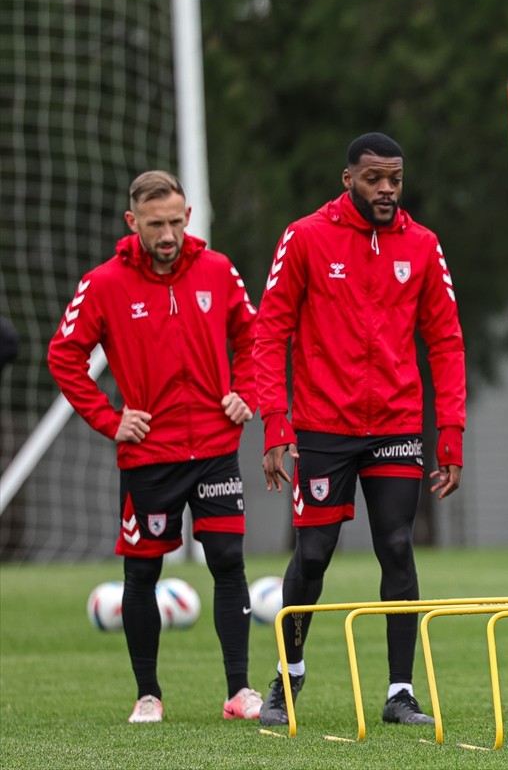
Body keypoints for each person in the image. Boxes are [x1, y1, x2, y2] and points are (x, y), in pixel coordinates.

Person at [253, 132, 466, 727]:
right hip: (322, 426)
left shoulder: (423, 245)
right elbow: (269, 332)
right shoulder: (305, 237)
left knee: (397, 547)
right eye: (374, 179)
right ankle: (289, 675)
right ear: (349, 179)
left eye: (395, 179)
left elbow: (446, 341)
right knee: (313, 555)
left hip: (396, 423)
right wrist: (275, 423)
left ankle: (400, 693)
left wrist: (450, 431)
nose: (387, 189)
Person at [47, 170, 262, 723]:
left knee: (228, 561)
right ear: (132, 222)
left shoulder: (218, 270)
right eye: (154, 224)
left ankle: (239, 692)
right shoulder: (103, 284)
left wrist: (247, 391)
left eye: (174, 222)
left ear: (187, 216)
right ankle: (148, 695)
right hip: (150, 456)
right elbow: (63, 355)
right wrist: (109, 419)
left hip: (214, 448)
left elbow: (253, 336)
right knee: (142, 574)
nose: (167, 235)